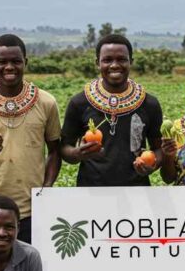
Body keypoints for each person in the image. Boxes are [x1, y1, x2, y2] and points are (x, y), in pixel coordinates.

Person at [0, 34, 61, 243]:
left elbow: (54, 150)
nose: (9, 67)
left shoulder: (46, 102)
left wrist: (47, 188)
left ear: (25, 62)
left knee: (31, 268)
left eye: (16, 61)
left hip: (32, 208)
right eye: (2, 62)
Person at [60, 34, 163, 186]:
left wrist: (151, 165)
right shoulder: (79, 103)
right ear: (97, 63)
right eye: (107, 60)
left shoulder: (149, 104)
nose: (114, 65)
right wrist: (77, 153)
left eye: (121, 59)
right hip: (90, 191)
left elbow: (158, 149)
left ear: (131, 62)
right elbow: (64, 148)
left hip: (137, 191)